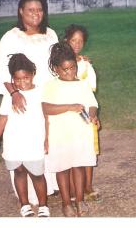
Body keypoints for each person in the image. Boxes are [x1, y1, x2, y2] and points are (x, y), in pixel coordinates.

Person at [0, 0, 59, 204]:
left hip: (47, 97)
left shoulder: (51, 34)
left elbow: (58, 63)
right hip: (21, 99)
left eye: (39, 10)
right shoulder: (11, 37)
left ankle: (50, 187)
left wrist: (79, 59)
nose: (35, 14)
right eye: (30, 10)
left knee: (45, 142)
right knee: (23, 144)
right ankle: (28, 197)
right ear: (21, 11)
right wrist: (14, 94)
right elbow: (3, 73)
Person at [42, 42, 100, 217]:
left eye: (72, 68)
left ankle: (80, 200)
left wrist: (93, 114)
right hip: (60, 134)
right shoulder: (52, 85)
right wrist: (69, 106)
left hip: (79, 134)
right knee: (63, 168)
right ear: (56, 69)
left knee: (79, 166)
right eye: (65, 69)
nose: (69, 73)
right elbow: (46, 108)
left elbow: (92, 104)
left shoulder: (82, 84)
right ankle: (66, 203)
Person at [0, 53, 50, 217]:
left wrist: (47, 138)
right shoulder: (10, 97)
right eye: (17, 79)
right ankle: (24, 204)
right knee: (18, 172)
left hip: (34, 141)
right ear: (12, 79)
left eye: (26, 78)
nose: (22, 83)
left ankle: (43, 205)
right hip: (14, 141)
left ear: (33, 75)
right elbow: (3, 117)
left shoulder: (41, 93)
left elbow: (47, 117)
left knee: (37, 174)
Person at [64, 24, 101, 202]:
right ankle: (72, 189)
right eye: (73, 40)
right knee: (70, 151)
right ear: (66, 41)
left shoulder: (85, 65)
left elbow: (91, 94)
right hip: (66, 114)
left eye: (81, 41)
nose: (77, 44)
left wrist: (93, 115)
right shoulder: (58, 65)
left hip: (85, 114)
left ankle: (88, 186)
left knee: (88, 151)